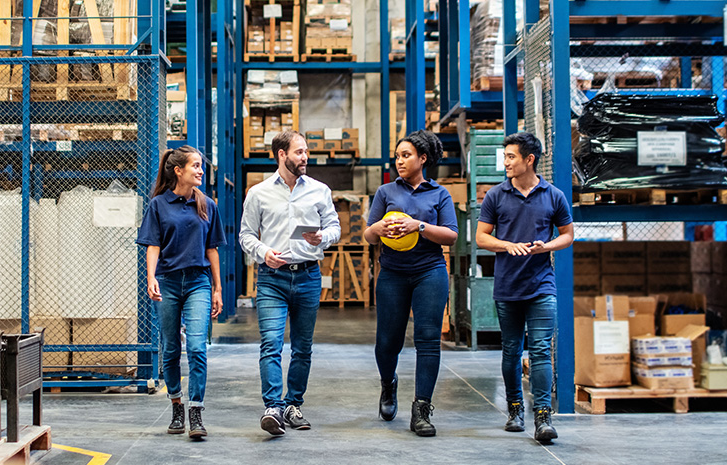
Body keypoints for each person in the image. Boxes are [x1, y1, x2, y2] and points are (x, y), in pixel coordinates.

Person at [239, 130, 341, 436]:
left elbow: (335, 226)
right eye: (299, 152)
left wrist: (323, 236)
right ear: (281, 155)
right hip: (272, 278)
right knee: (271, 343)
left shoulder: (319, 190)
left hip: (309, 275)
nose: (305, 157)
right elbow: (246, 235)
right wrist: (263, 252)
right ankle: (273, 407)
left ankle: (293, 404)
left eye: (306, 152)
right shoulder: (259, 193)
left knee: (302, 347)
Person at [475, 132, 574, 444]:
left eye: (511, 157)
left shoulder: (553, 195)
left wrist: (547, 247)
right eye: (505, 156)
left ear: (529, 160)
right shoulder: (496, 196)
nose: (505, 162)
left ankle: (543, 416)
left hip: (541, 285)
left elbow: (568, 234)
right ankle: (515, 408)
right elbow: (481, 238)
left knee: (542, 349)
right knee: (511, 350)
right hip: (507, 285)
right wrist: (507, 246)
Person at [363, 130, 458, 437]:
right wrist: (377, 227)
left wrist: (417, 225)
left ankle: (421, 409)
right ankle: (388, 384)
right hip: (392, 273)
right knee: (387, 342)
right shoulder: (385, 192)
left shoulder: (439, 194)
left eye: (406, 156)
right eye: (398, 155)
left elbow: (451, 235)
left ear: (423, 159)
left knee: (428, 339)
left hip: (429, 271)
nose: (399, 160)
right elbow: (368, 234)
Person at [136, 145, 226, 439]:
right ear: (178, 171)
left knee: (197, 347)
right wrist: (151, 277)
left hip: (199, 281)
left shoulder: (207, 205)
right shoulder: (158, 205)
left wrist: (217, 288)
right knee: (171, 347)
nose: (201, 171)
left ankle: (196, 410)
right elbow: (153, 245)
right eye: (196, 166)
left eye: (201, 166)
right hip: (169, 282)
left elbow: (212, 249)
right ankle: (176, 404)